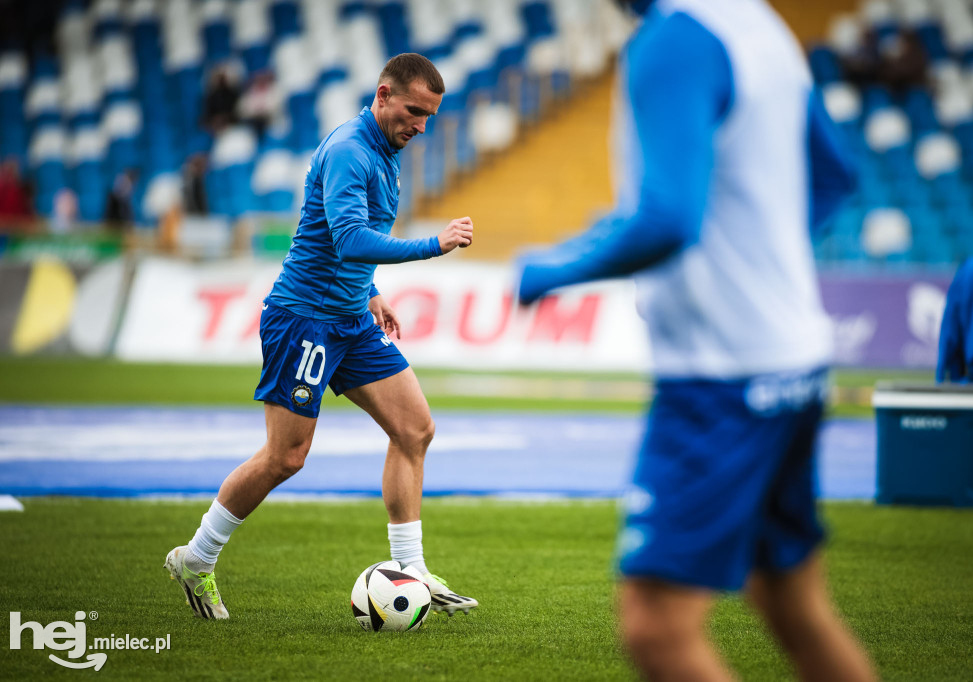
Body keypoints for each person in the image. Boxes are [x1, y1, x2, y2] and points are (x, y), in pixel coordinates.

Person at [515, 2, 876, 680]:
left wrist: (547, 271)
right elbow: (835, 176)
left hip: (722, 376)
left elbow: (666, 220)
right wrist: (754, 263)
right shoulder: (761, 27)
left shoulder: (673, 41)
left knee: (657, 626)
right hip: (792, 358)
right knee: (796, 606)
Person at [165, 53, 477, 620]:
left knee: (415, 429)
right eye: (412, 111)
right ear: (382, 95)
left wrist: (371, 291)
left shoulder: (385, 149)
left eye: (429, 117)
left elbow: (348, 248)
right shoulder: (351, 151)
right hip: (303, 318)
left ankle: (412, 570)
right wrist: (433, 244)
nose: (420, 126)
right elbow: (352, 238)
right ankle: (197, 557)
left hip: (351, 317)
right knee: (286, 457)